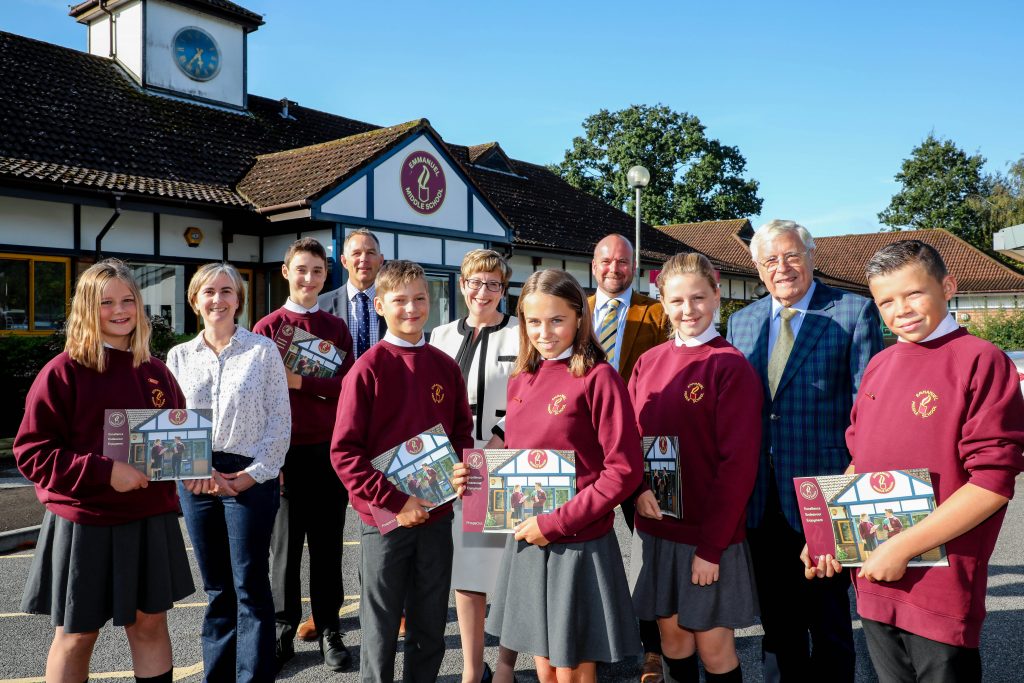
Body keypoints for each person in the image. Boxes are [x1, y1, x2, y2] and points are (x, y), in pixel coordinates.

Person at [802, 240, 1024, 681]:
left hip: (939, 588)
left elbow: (992, 484)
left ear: (948, 287)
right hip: (874, 579)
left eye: (914, 293)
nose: (901, 309)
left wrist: (902, 547)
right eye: (886, 301)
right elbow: (859, 463)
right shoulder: (879, 365)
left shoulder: (981, 360)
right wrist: (826, 530)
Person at [14, 259, 194, 683]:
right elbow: (31, 452)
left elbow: (177, 442)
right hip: (86, 522)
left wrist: (195, 465)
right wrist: (103, 471)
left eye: (128, 300)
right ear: (86, 308)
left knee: (150, 624)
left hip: (149, 518)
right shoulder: (63, 372)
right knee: (77, 635)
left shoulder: (156, 371)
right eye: (106, 302)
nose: (119, 310)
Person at [725, 219, 882, 682]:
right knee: (777, 622)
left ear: (812, 256)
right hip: (761, 495)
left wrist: (851, 490)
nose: (782, 267)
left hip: (825, 492)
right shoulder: (741, 321)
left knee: (829, 620)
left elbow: (867, 410)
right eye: (770, 260)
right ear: (758, 268)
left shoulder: (853, 312)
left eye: (792, 255)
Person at [483, 268, 643, 683]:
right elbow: (522, 456)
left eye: (557, 320)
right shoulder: (521, 378)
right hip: (528, 538)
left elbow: (623, 471)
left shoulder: (598, 377)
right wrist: (482, 478)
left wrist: (555, 523)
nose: (544, 332)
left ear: (578, 317)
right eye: (534, 321)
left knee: (571, 670)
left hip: (577, 543)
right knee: (546, 668)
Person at [331, 259, 474, 683]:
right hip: (385, 521)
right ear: (379, 305)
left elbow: (461, 435)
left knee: (430, 626)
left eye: (420, 299)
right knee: (380, 628)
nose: (411, 308)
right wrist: (397, 502)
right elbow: (344, 454)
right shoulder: (367, 369)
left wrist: (460, 470)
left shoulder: (445, 366)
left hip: (436, 515)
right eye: (400, 300)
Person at [628, 253, 762, 683]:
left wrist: (711, 548)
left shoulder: (731, 366)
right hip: (658, 530)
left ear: (717, 296)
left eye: (698, 298)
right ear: (662, 303)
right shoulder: (648, 363)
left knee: (714, 650)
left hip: (707, 537)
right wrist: (637, 489)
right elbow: (628, 440)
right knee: (672, 643)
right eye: (677, 300)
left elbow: (738, 466)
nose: (688, 310)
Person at [167, 262, 291, 683]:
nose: (217, 299)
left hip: (250, 476)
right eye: (209, 291)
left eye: (226, 291)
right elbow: (172, 421)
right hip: (195, 474)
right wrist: (194, 470)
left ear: (239, 299)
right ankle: (217, 676)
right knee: (217, 588)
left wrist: (253, 474)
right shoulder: (178, 356)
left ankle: (253, 677)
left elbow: (280, 421)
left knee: (250, 585)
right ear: (195, 301)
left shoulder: (263, 351)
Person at [252, 238, 356, 673]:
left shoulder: (336, 328)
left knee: (328, 546)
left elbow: (347, 388)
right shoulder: (266, 328)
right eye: (301, 269)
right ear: (286, 272)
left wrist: (301, 382)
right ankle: (283, 629)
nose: (309, 278)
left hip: (328, 452)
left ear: (326, 274)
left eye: (317, 270)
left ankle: (330, 627)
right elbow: (257, 397)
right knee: (285, 549)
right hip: (284, 453)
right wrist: (266, 459)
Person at [430, 248, 520, 683]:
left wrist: (499, 439)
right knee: (468, 573)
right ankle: (471, 668)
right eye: (475, 282)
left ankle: (505, 667)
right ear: (463, 284)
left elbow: (531, 393)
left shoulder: (522, 333)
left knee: (511, 571)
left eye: (493, 284)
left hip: (505, 461)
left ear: (504, 289)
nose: (483, 292)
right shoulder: (441, 335)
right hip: (456, 466)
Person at [587, 233, 670, 681]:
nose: (614, 269)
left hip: (639, 448)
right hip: (586, 450)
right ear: (593, 265)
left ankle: (655, 649)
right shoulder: (576, 311)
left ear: (634, 267)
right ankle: (590, 641)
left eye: (622, 261)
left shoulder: (656, 313)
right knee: (584, 548)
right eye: (606, 261)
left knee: (648, 546)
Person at [318, 228, 387, 359]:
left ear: (381, 260)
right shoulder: (321, 305)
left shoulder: (394, 304)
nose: (364, 259)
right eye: (356, 253)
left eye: (371, 252)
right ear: (344, 261)